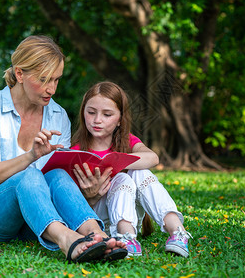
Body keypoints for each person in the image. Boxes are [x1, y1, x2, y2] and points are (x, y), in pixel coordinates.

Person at [0, 36, 127, 263]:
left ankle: (97, 234)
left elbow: (58, 183)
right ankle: (67, 240)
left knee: (58, 174)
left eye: (56, 80)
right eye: (44, 79)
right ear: (20, 74)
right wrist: (31, 156)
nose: (52, 89)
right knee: (28, 174)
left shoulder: (57, 116)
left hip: (34, 220)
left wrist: (89, 192)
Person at [70, 81, 192, 258]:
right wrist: (92, 194)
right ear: (83, 113)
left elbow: (152, 158)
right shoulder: (77, 150)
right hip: (96, 218)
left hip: (129, 211)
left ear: (120, 119)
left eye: (107, 114)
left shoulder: (126, 141)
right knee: (123, 178)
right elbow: (71, 203)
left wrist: (116, 162)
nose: (97, 120)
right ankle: (125, 236)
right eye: (91, 112)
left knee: (139, 171)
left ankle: (178, 232)